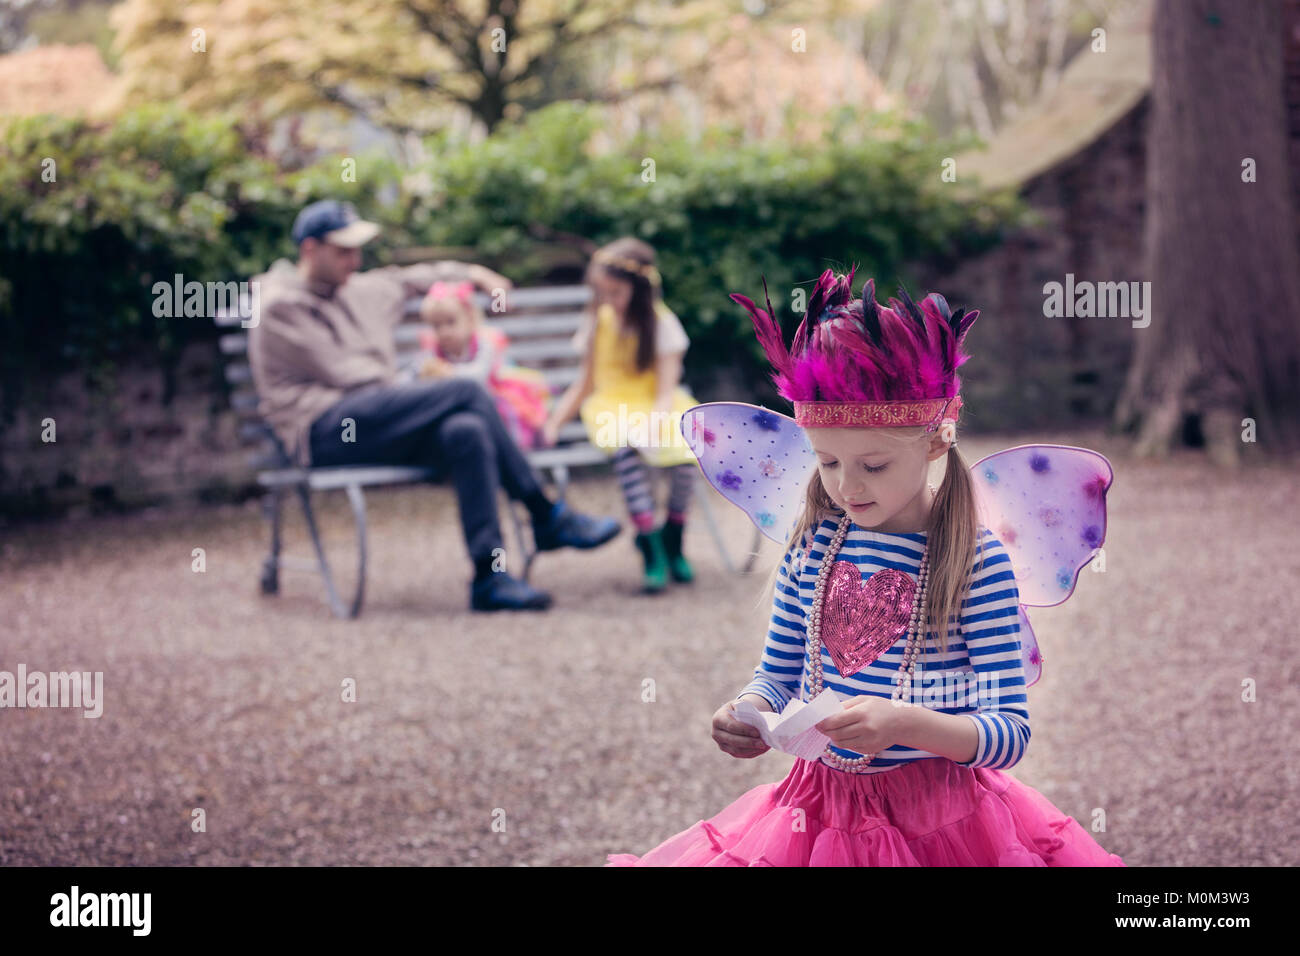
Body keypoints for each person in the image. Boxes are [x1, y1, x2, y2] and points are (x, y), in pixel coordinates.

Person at [606, 268, 1127, 866]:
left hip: (942, 823)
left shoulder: (974, 562)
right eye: (827, 462)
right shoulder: (812, 547)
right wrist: (748, 714)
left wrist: (905, 724)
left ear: (936, 442)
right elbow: (777, 675)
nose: (847, 487)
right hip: (814, 812)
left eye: (873, 466)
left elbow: (1009, 733)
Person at [247, 199, 620, 613]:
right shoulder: (280, 307)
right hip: (327, 429)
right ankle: (546, 514)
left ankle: (489, 577)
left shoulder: (362, 288)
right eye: (342, 251)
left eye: (357, 249)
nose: (354, 260)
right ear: (309, 250)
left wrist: (477, 274)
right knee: (464, 392)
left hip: (385, 421)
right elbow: (349, 376)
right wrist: (418, 381)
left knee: (466, 431)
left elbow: (420, 276)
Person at [540, 238, 699, 592]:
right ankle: (650, 544)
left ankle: (674, 534)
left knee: (690, 450)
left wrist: (656, 422)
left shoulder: (662, 324)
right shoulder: (598, 322)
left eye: (615, 292)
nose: (607, 300)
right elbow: (585, 384)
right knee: (626, 447)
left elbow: (665, 391)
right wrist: (554, 422)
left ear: (638, 290)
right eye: (602, 292)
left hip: (660, 404)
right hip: (612, 404)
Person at [414, 280, 552, 450]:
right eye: (437, 325)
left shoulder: (484, 345)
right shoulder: (434, 352)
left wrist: (447, 373)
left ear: (470, 319)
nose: (444, 332)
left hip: (491, 396)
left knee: (500, 411)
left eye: (450, 322)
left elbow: (478, 376)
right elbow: (417, 372)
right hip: (456, 408)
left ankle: (505, 451)